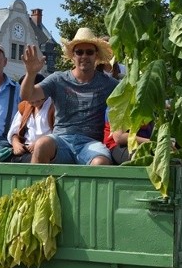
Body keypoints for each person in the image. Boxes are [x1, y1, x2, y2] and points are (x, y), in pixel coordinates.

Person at [19, 27, 118, 165]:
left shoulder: (109, 84)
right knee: (42, 145)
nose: (84, 56)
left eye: (89, 52)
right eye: (79, 52)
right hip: (61, 140)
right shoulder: (58, 79)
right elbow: (27, 95)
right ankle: (36, 186)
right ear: (73, 55)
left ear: (96, 56)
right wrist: (30, 74)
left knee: (100, 163)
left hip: (91, 143)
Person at [2, 74, 55, 163]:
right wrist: (16, 144)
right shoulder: (25, 106)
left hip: (44, 150)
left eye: (38, 99)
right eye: (30, 99)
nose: (34, 102)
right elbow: (14, 132)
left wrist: (38, 144)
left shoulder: (54, 106)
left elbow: (59, 133)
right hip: (24, 148)